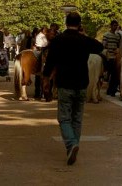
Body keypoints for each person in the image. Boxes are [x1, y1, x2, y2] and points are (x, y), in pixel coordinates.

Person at [42, 12, 103, 166]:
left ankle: (71, 144)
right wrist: (84, 35)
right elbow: (99, 46)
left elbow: (50, 62)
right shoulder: (84, 40)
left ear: (65, 22)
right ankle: (74, 144)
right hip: (82, 83)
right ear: (79, 23)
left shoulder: (58, 40)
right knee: (77, 117)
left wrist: (46, 79)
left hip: (64, 82)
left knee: (64, 117)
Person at [102, 20, 122, 97]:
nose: (115, 27)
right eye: (114, 25)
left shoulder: (118, 36)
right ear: (111, 26)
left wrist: (117, 50)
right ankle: (110, 90)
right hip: (109, 57)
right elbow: (104, 45)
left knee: (115, 75)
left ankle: (112, 91)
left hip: (115, 58)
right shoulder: (106, 35)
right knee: (110, 74)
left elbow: (119, 45)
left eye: (116, 25)